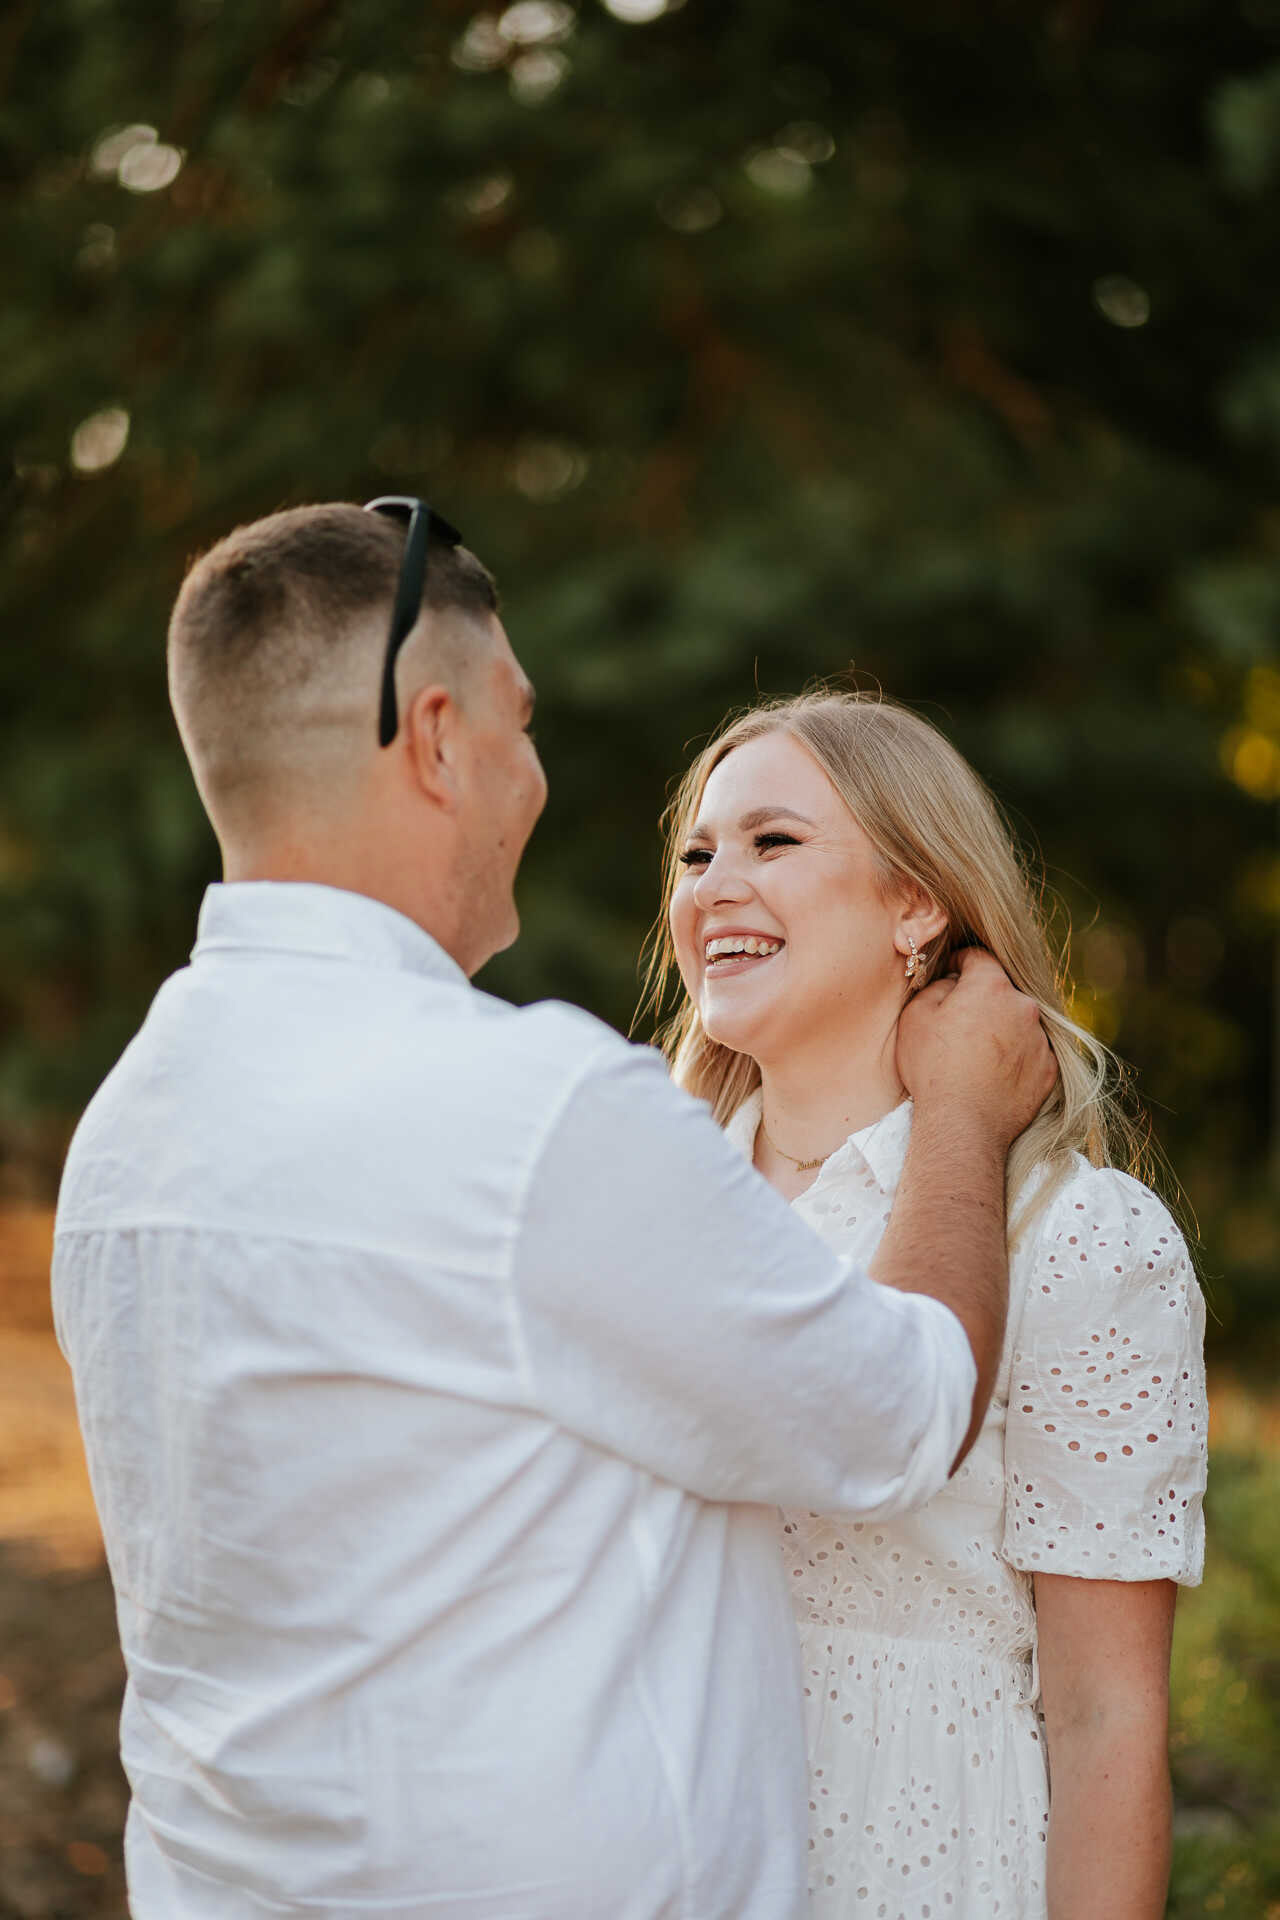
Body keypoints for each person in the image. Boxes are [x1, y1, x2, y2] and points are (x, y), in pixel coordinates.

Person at [52, 502, 1055, 1920]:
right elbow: (901, 1416)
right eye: (519, 724)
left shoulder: (122, 1137)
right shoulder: (536, 1115)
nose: (535, 777)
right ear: (437, 740)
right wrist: (961, 1111)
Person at [649, 688, 1209, 1920]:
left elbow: (1104, 1712)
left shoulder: (1072, 1235)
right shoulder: (633, 1203)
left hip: (929, 1860)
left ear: (915, 905)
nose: (712, 887)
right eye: (696, 856)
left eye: (771, 842)